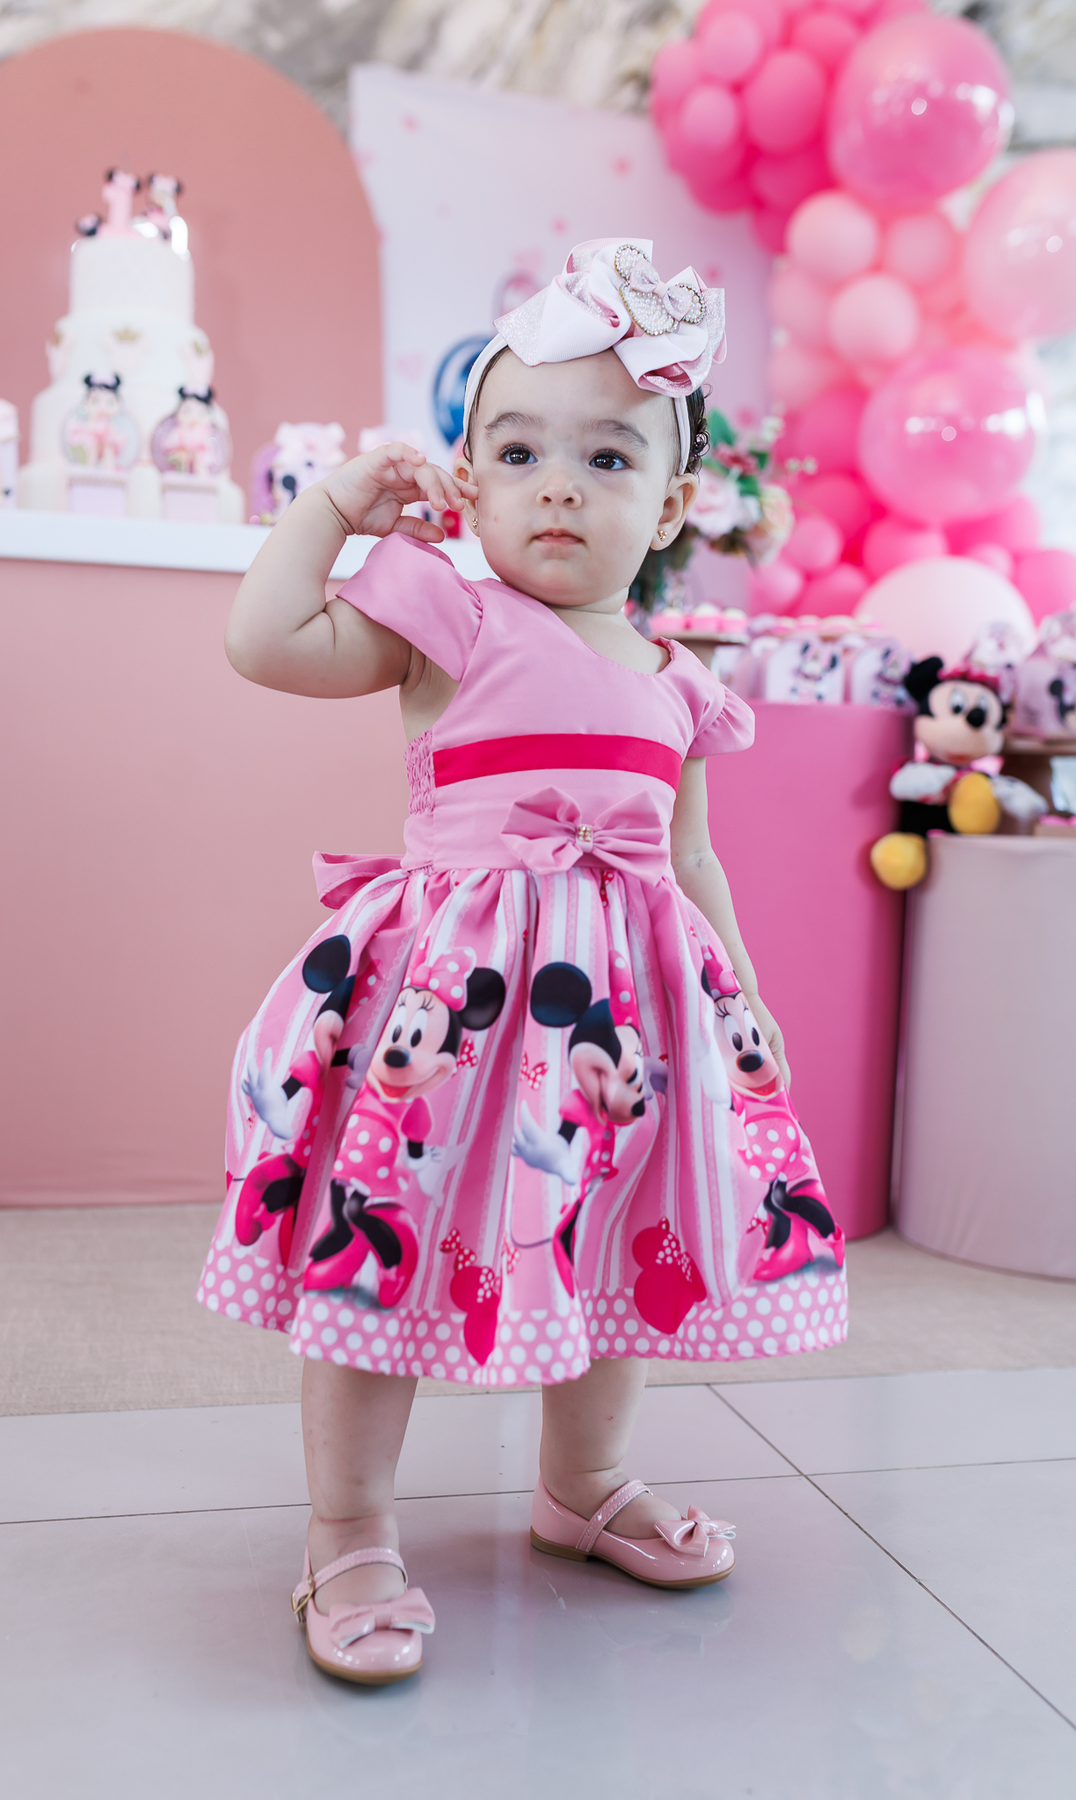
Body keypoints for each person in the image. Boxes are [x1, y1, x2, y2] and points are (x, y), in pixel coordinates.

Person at [198, 238, 847, 1685]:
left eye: (607, 457)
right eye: (518, 451)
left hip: (621, 1034)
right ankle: (348, 1528)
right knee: (384, 1249)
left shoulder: (677, 685)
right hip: (452, 1016)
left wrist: (743, 1005)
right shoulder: (453, 611)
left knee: (612, 1234)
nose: (558, 484)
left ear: (668, 504)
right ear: (469, 481)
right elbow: (265, 641)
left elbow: (690, 864)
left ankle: (584, 1485)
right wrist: (334, 509)